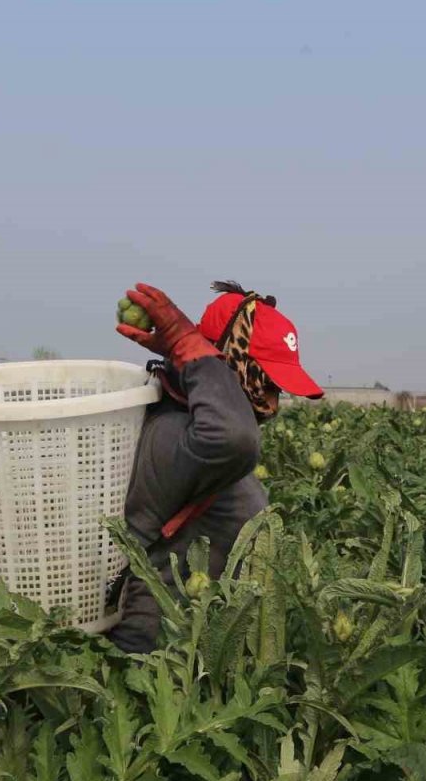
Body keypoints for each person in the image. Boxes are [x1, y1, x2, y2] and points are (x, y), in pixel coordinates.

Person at [105, 280, 323, 654]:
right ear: (228, 360)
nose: (273, 399)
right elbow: (232, 436)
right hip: (159, 662)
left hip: (201, 657)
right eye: (265, 379)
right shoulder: (178, 431)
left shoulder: (197, 426)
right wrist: (187, 345)